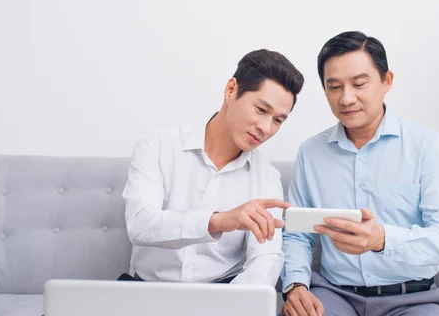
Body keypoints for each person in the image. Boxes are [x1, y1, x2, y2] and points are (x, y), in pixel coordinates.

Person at [281, 31, 439, 316]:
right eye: (335, 87)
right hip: (335, 296)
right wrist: (295, 284)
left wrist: (382, 240)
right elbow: (297, 235)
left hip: (413, 299)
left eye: (359, 84)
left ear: (386, 81)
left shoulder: (427, 146)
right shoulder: (311, 153)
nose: (346, 98)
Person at [121, 49, 304, 286]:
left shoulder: (267, 178)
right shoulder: (157, 144)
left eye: (278, 120)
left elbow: (265, 259)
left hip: (221, 296)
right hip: (146, 292)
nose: (266, 128)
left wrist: (231, 305)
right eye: (261, 110)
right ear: (231, 90)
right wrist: (218, 221)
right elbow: (140, 225)